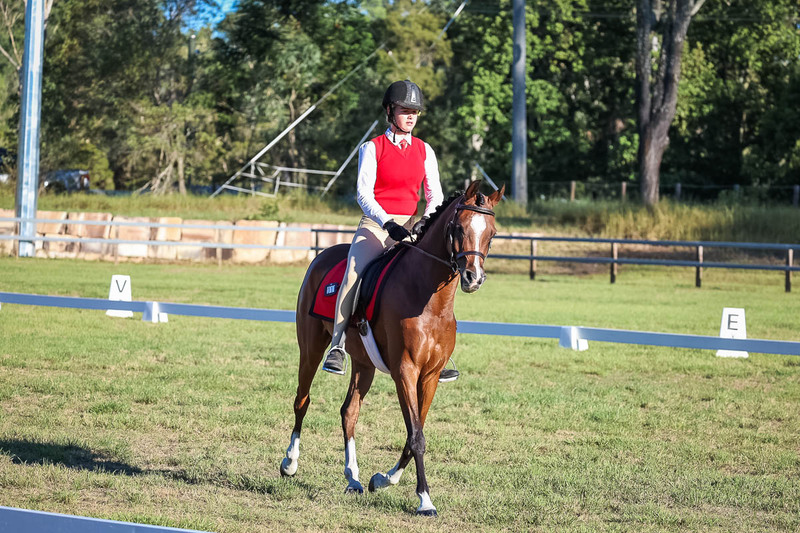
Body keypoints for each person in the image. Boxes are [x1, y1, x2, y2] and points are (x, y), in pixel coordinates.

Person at [321, 80, 460, 383]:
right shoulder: (372, 148)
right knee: (353, 275)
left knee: (438, 275)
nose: (411, 116)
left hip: (413, 225)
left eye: (415, 112)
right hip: (376, 225)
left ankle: (440, 353)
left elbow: (434, 194)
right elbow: (363, 194)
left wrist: (427, 220)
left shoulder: (425, 150)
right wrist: (387, 223)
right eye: (404, 110)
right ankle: (338, 345)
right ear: (389, 111)